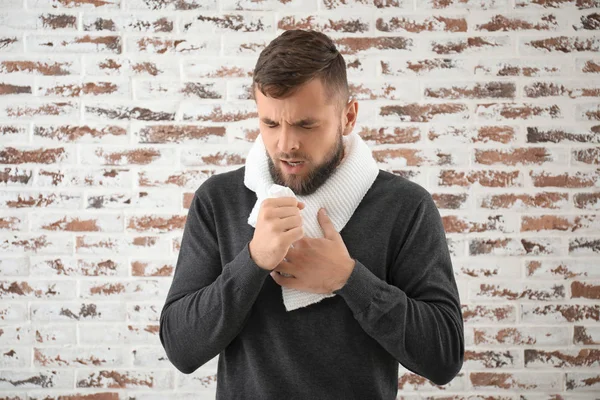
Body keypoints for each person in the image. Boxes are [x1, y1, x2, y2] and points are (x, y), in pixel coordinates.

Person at [159, 29, 464, 399]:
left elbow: (444, 357)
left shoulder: (405, 207)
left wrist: (349, 279)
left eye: (306, 125)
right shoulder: (220, 200)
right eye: (270, 124)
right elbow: (181, 348)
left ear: (348, 117)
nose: (286, 144)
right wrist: (253, 261)